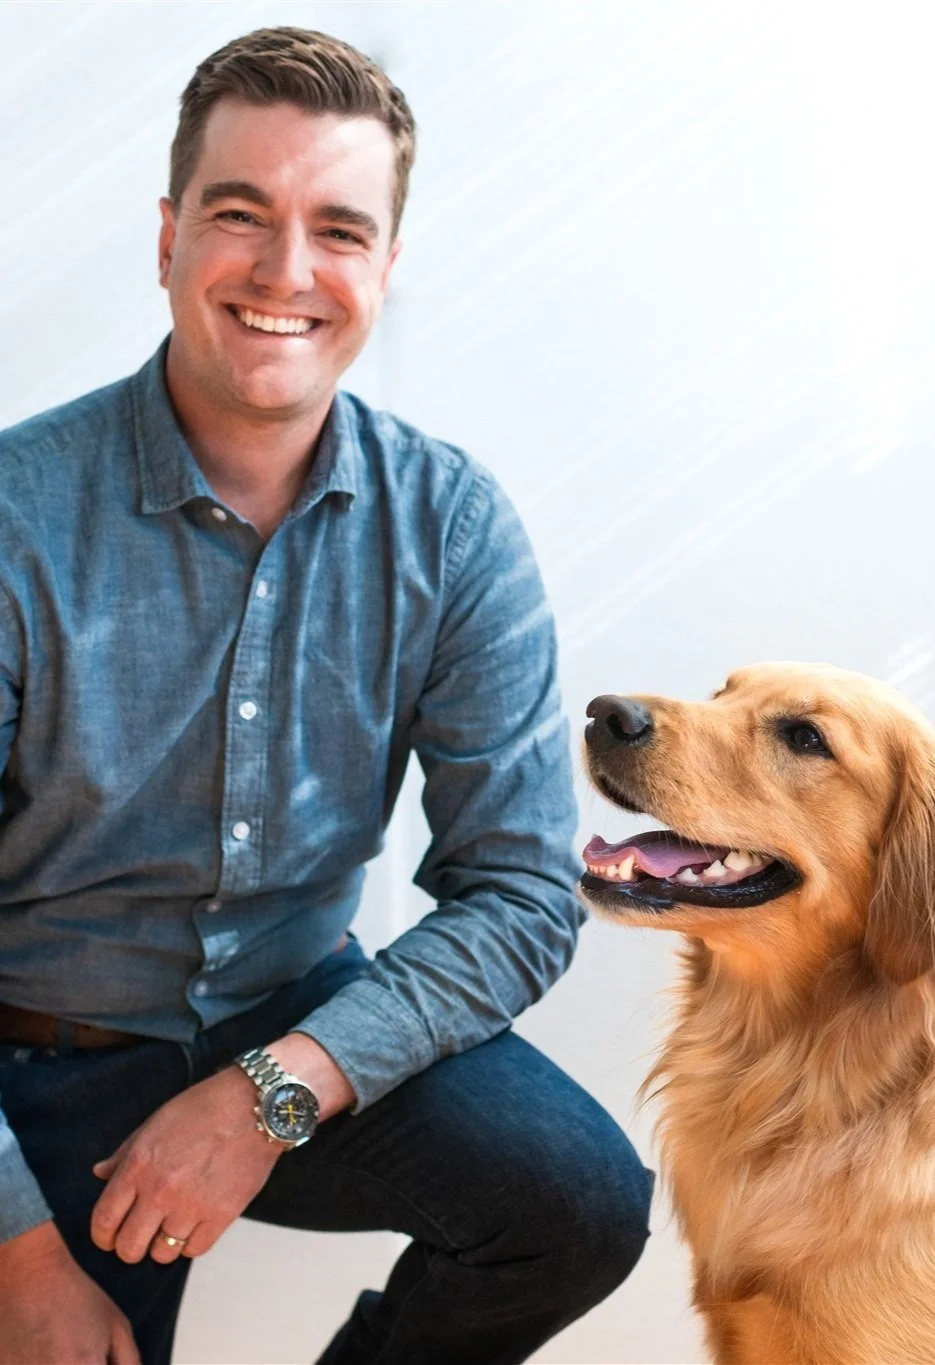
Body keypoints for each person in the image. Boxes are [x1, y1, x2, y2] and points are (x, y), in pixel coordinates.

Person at [0, 26, 652, 1365]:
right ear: (170, 236)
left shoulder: (453, 529)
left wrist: (268, 1096)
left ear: (387, 268)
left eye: (338, 229)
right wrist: (18, 1254)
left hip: (288, 1026)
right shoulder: (16, 517)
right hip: (35, 1056)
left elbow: (522, 892)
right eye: (241, 215)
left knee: (578, 1204)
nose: (287, 273)